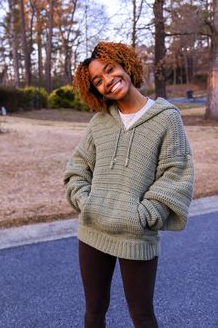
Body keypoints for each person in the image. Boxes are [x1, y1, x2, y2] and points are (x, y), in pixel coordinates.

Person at [63, 41, 194, 328]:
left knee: (143, 316)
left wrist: (145, 216)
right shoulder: (99, 123)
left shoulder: (166, 118)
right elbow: (77, 169)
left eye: (110, 70)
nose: (108, 81)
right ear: (95, 90)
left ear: (125, 65)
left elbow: (176, 173)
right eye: (98, 80)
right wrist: (87, 202)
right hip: (93, 230)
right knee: (94, 312)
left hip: (136, 234)